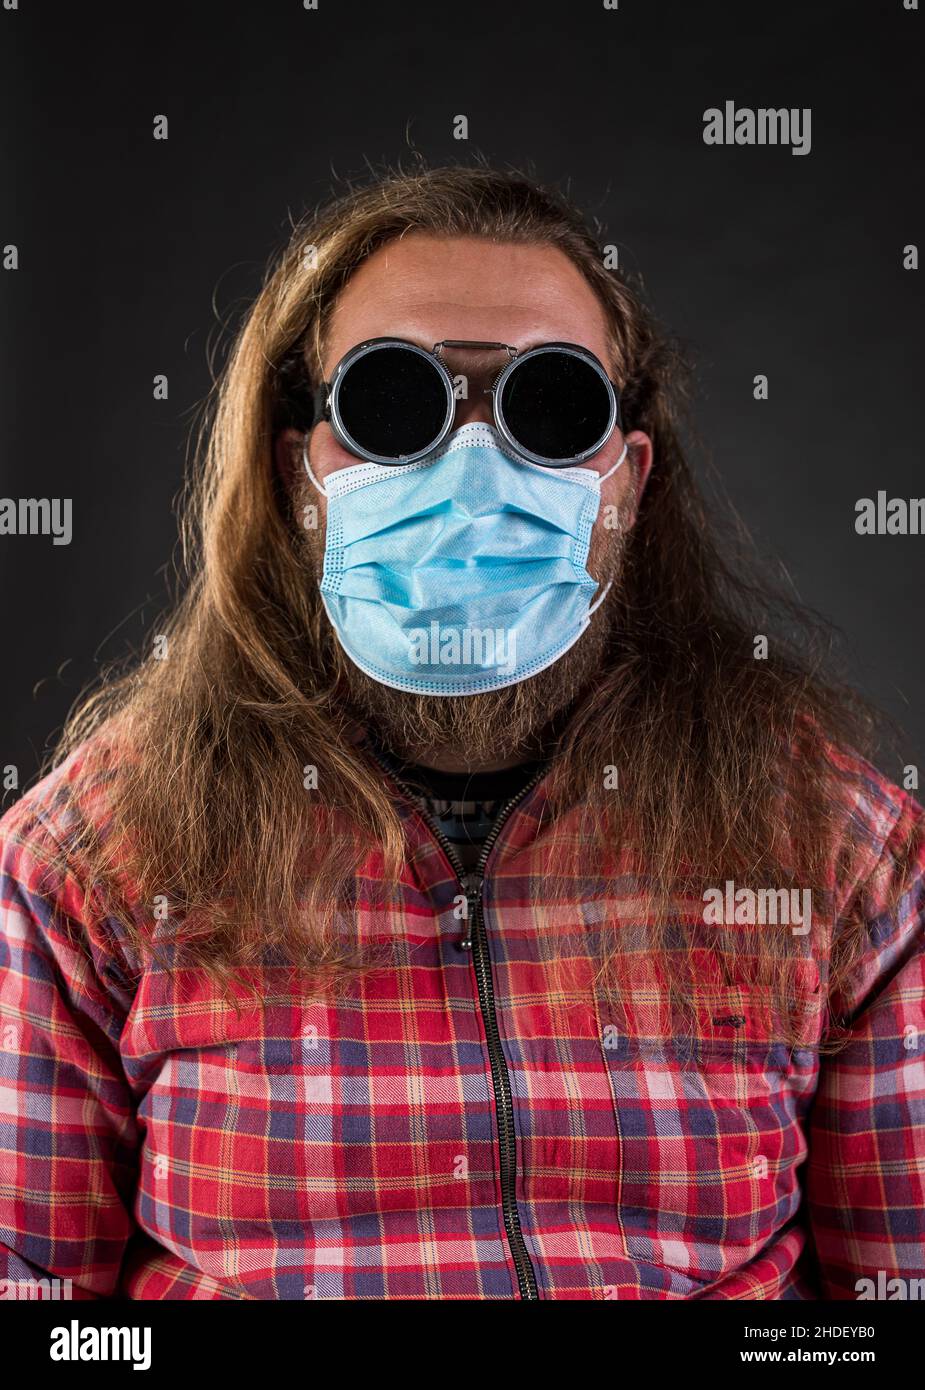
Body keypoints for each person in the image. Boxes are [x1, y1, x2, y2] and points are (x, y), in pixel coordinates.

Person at [1, 164, 922, 1301]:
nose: (473, 471)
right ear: (302, 470)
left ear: (626, 482)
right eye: (396, 405)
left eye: (550, 409)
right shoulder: (92, 860)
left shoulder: (832, 847)